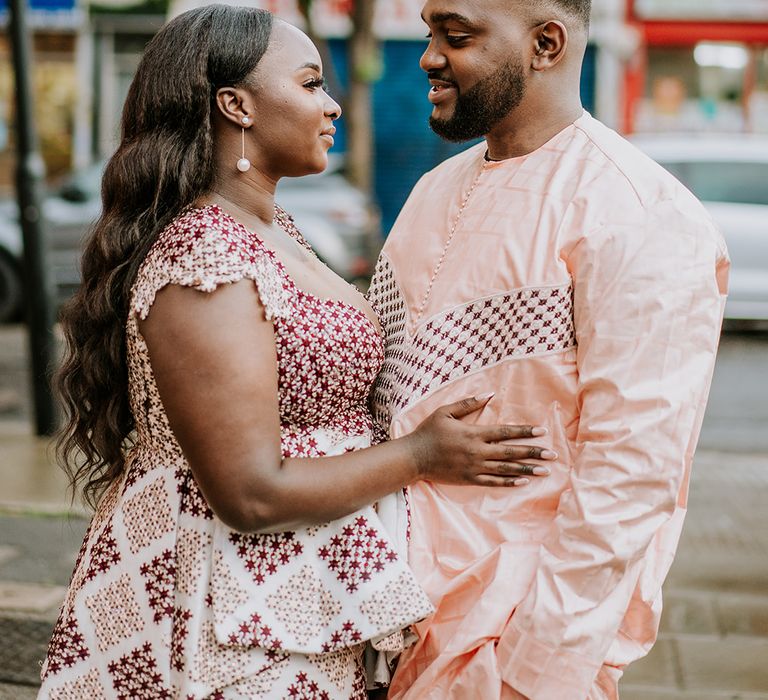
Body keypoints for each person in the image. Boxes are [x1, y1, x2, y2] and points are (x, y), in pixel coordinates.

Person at [37, 6, 557, 699]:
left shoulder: (272, 226)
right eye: (311, 84)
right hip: (215, 608)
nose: (332, 104)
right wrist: (423, 455)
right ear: (237, 106)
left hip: (289, 593)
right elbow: (250, 493)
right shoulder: (207, 258)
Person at [366, 0, 730, 698]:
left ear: (547, 43)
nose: (428, 57)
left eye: (457, 35)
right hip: (376, 617)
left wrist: (531, 671)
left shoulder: (640, 214)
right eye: (430, 34)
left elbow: (630, 476)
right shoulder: (430, 190)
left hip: (503, 646)